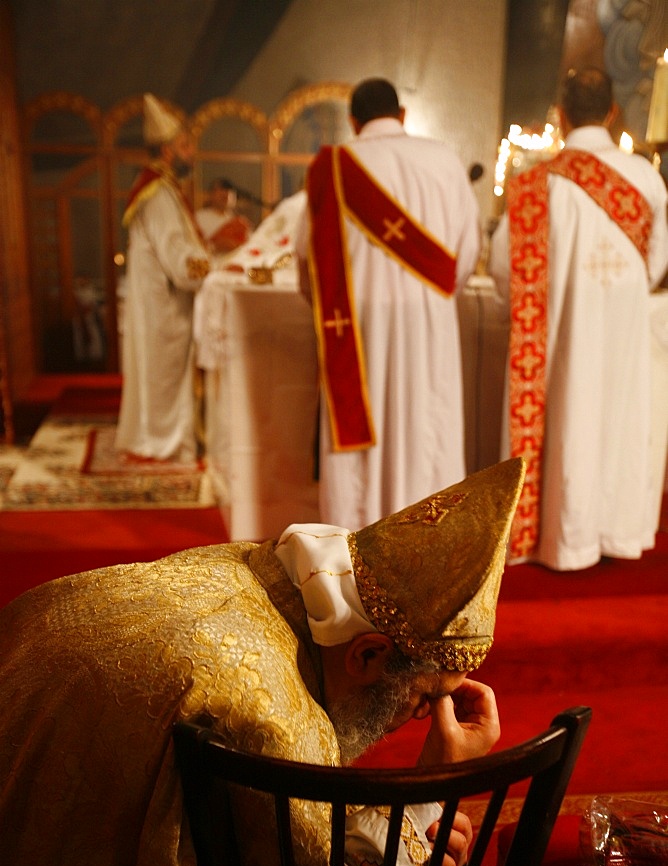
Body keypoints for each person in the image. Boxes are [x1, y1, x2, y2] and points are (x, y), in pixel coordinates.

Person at [0, 457, 524, 866]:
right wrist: (425, 799)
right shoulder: (279, 720)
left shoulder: (247, 565)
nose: (413, 721)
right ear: (368, 654)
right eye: (421, 703)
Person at [489, 67, 668, 571]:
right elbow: (655, 266)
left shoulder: (533, 186)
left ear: (561, 116)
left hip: (559, 345)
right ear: (613, 112)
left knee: (568, 420)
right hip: (623, 335)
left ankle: (557, 538)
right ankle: (617, 531)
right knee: (618, 422)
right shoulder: (647, 178)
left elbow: (504, 273)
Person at [296, 77, 482, 531]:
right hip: (428, 326)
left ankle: (354, 541)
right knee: (426, 426)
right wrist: (432, 300)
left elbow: (307, 264)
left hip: (355, 332)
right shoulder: (444, 159)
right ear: (401, 115)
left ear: (353, 121)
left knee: (362, 448)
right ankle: (429, 537)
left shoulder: (333, 167)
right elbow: (468, 250)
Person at [115, 93, 211, 464]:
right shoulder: (158, 195)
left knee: (157, 380)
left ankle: (154, 437)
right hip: (164, 309)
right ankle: (163, 442)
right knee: (162, 381)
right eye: (186, 146)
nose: (192, 153)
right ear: (168, 151)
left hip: (160, 305)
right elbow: (179, 259)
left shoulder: (162, 189)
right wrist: (214, 266)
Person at [195, 177, 253, 256]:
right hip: (208, 263)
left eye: (229, 191)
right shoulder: (198, 218)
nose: (225, 194)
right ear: (210, 194)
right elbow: (191, 246)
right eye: (220, 190)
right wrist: (215, 246)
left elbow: (249, 249)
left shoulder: (240, 222)